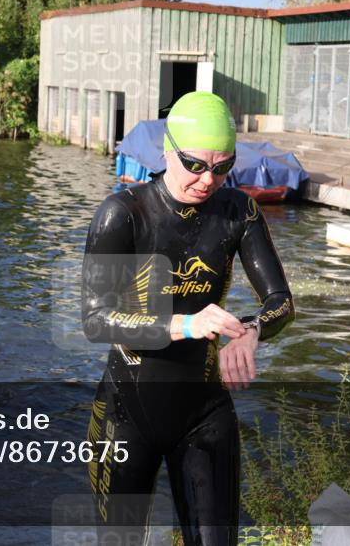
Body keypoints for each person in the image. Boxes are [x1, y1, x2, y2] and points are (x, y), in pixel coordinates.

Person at [81, 91, 294, 545]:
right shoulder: (124, 214)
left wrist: (251, 333)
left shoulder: (239, 210)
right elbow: (96, 320)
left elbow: (281, 301)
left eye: (223, 167)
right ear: (167, 150)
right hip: (127, 410)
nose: (208, 179)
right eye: (195, 164)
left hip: (203, 411)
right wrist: (186, 324)